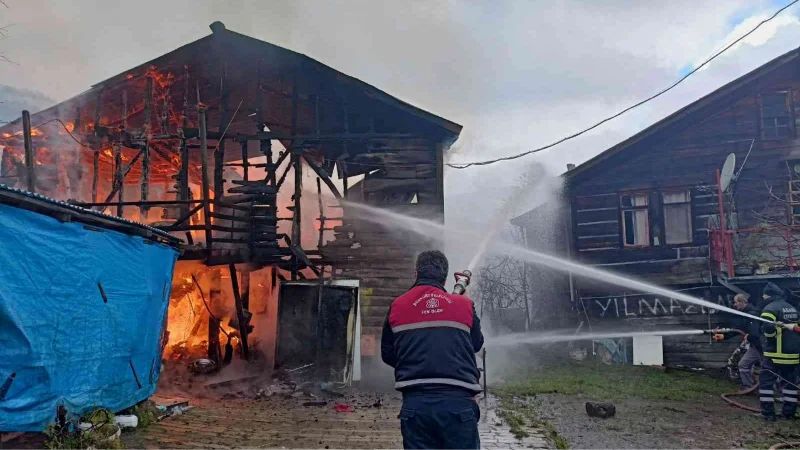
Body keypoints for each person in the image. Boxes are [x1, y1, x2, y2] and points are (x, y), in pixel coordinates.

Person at [381, 250, 484, 450]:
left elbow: (388, 354)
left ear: (416, 273)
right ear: (444, 278)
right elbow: (475, 344)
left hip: (415, 407)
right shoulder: (464, 305)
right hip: (458, 407)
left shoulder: (397, 306)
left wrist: (415, 361)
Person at [758, 282, 800, 421]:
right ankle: (789, 413)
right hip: (793, 355)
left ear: (768, 295)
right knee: (789, 384)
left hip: (775, 354)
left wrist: (769, 338)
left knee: (765, 383)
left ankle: (768, 414)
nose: (763, 298)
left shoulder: (769, 309)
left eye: (764, 295)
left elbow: (768, 330)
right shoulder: (792, 308)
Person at [715, 294, 762, 388]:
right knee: (743, 364)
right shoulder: (746, 314)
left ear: (742, 302)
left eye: (736, 302)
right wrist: (724, 336)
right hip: (755, 346)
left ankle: (778, 391)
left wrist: (749, 337)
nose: (734, 304)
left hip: (762, 347)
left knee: (770, 369)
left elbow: (756, 334)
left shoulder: (752, 314)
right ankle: (748, 387)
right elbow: (739, 329)